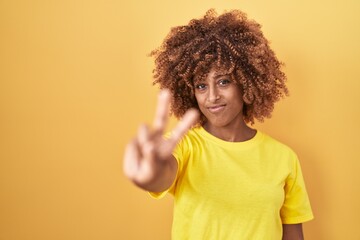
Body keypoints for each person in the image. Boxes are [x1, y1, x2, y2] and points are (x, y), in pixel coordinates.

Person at [123, 9, 314, 240]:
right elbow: (162, 174)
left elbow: (293, 235)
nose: (212, 96)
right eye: (201, 86)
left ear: (246, 83)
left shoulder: (284, 158)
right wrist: (151, 172)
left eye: (224, 82)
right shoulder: (184, 146)